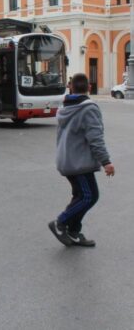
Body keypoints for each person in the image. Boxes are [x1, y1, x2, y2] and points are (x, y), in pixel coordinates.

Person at [49, 73, 115, 247]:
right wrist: (106, 162)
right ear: (89, 87)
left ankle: (73, 231)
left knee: (82, 196)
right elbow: (95, 138)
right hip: (78, 163)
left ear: (71, 88)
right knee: (88, 196)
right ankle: (60, 223)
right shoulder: (88, 109)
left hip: (67, 160)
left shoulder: (65, 107)